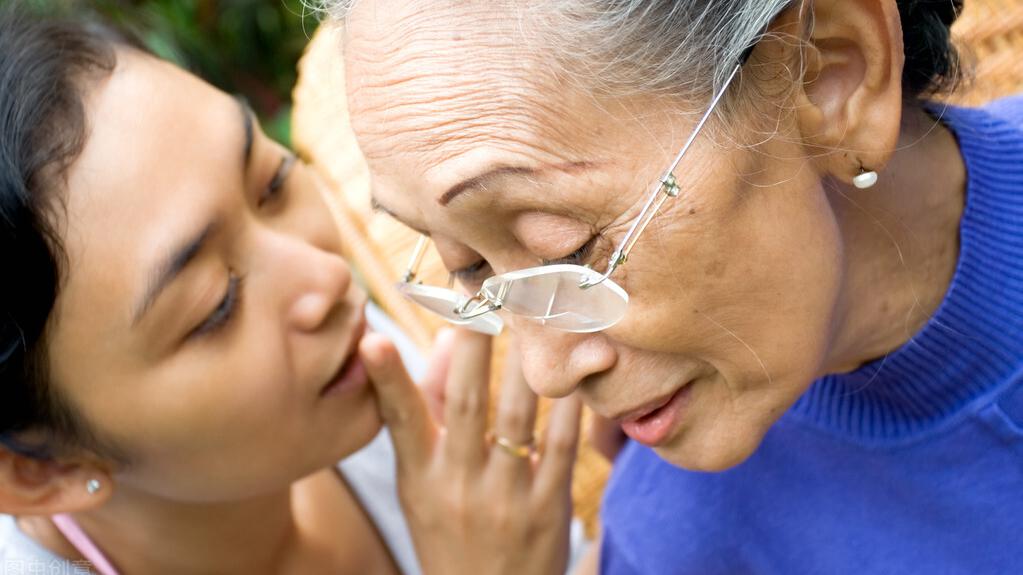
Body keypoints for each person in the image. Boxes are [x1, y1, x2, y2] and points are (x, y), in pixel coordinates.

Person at [320, 0, 1023, 572]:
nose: (546, 371)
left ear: (828, 73)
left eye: (565, 248)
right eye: (465, 266)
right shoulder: (671, 544)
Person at [0, 6, 587, 574]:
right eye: (215, 307)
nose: (327, 278)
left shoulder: (335, 371)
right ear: (40, 473)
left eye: (271, 184)